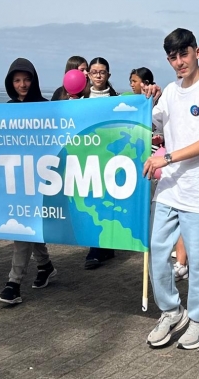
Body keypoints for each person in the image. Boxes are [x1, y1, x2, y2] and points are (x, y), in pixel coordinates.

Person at [143, 28, 199, 350]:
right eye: (173, 57)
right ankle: (171, 310)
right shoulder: (169, 91)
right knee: (158, 254)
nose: (179, 62)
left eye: (184, 54)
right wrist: (147, 96)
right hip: (168, 189)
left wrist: (167, 157)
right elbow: (153, 124)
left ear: (197, 51)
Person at [0, 58, 57, 305]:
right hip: (16, 179)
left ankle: (13, 284)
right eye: (17, 80)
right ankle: (46, 265)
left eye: (27, 79)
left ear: (34, 80)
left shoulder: (46, 107)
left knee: (22, 226)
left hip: (40, 178)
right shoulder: (6, 109)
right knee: (28, 224)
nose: (22, 84)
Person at [84, 57, 118, 269]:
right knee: (91, 203)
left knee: (108, 203)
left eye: (102, 72)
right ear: (87, 74)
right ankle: (95, 248)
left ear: (108, 75)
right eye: (94, 71)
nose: (98, 75)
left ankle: (106, 247)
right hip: (87, 158)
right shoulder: (80, 98)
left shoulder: (116, 99)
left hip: (110, 158)